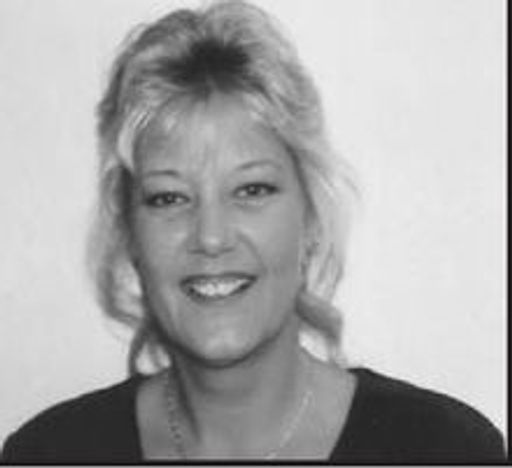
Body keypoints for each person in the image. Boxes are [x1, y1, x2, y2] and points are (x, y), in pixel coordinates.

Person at [1, 0, 505, 462]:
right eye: (169, 198)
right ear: (129, 235)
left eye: (251, 190)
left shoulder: (446, 449)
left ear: (310, 220)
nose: (211, 237)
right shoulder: (47, 453)